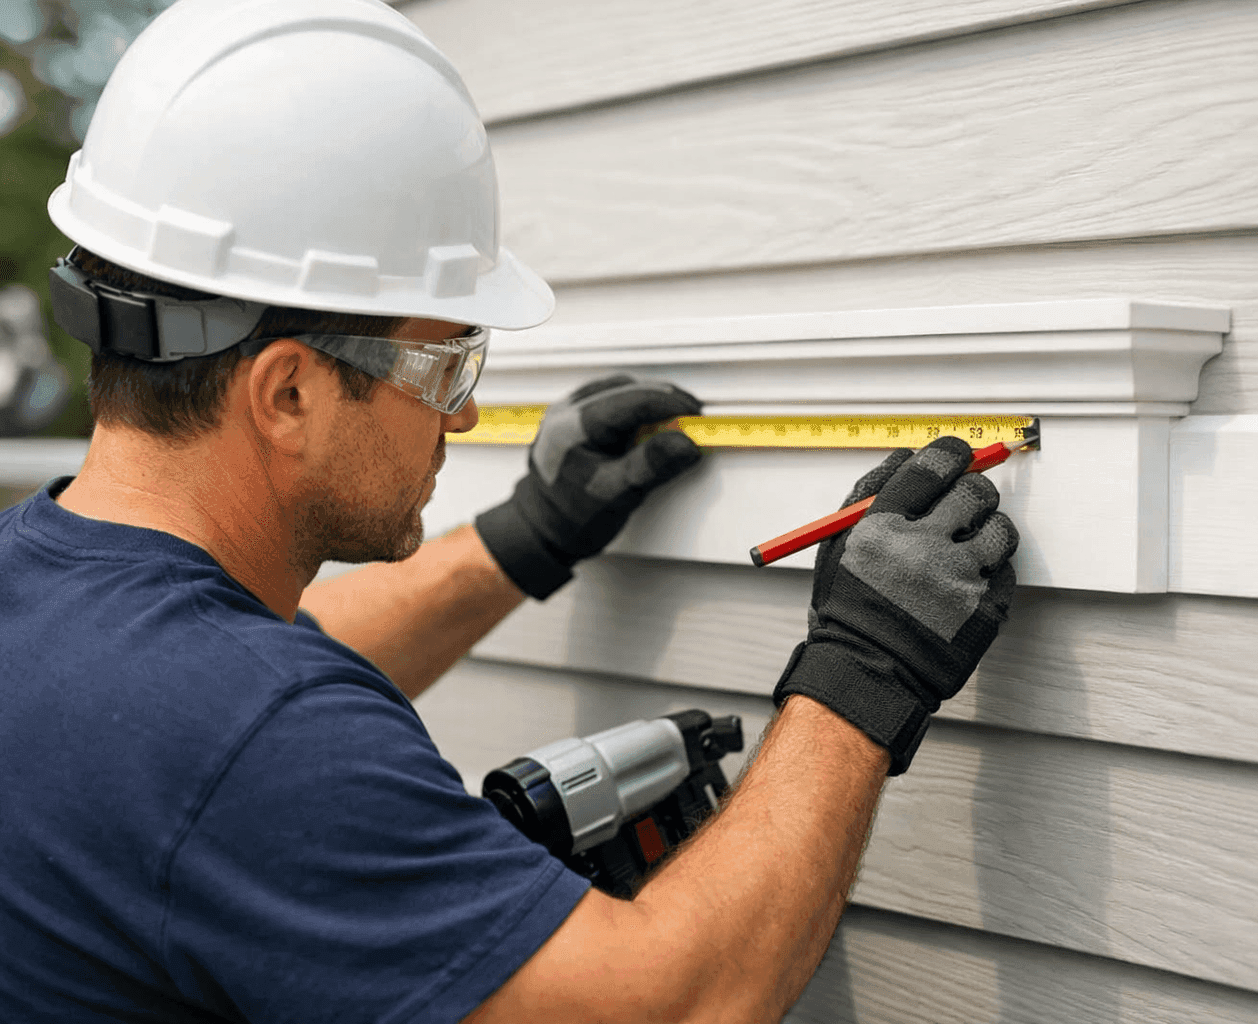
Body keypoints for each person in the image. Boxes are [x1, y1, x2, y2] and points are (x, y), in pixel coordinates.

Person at [0, 1, 1020, 1021]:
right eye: (445, 364)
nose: (467, 411)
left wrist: (521, 541)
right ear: (290, 394)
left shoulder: (52, 601)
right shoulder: (250, 734)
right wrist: (863, 673)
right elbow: (678, 1003)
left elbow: (218, 676)